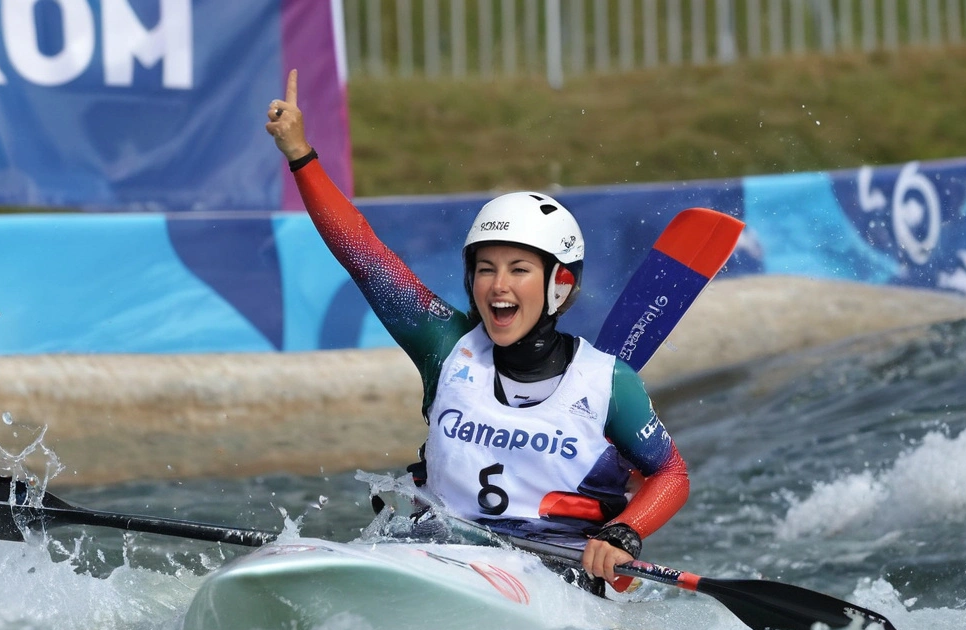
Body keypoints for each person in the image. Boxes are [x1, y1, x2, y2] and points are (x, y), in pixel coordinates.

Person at [265, 70, 689, 596]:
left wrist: (625, 531)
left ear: (559, 283)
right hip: (435, 553)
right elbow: (365, 258)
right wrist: (301, 155)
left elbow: (670, 473)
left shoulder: (608, 383)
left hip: (555, 581)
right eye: (485, 268)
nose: (497, 285)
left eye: (518, 269)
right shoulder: (444, 346)